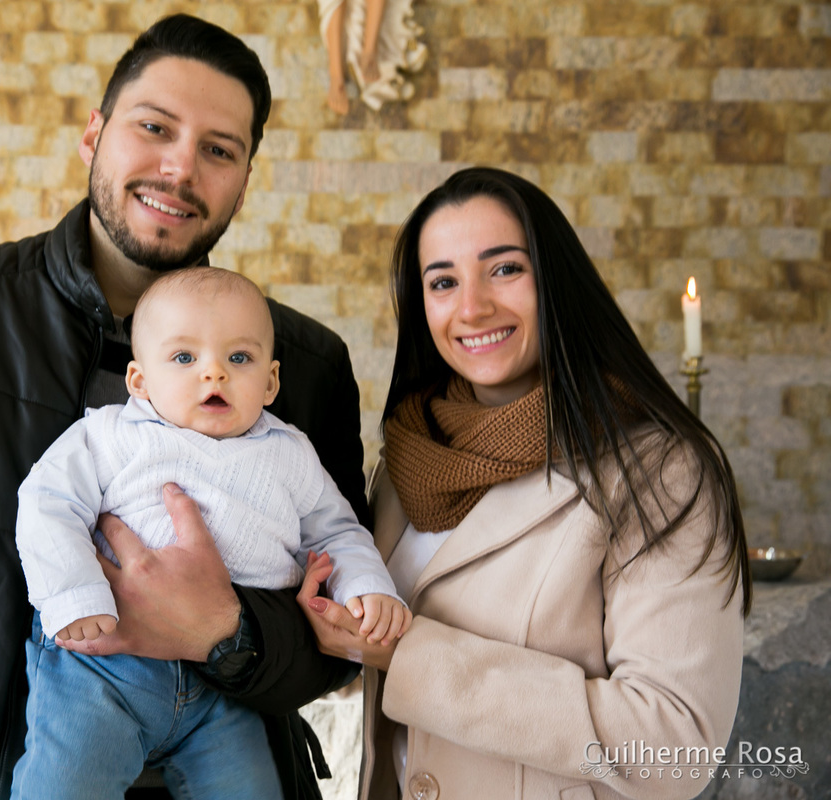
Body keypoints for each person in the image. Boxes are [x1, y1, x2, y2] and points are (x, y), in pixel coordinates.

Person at [0, 15, 366, 800]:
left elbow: (339, 634)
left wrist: (231, 633)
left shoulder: (306, 366)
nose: (180, 167)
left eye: (219, 150)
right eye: (154, 127)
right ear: (94, 135)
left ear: (244, 179)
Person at [297, 166, 751, 800]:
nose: (473, 306)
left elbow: (672, 745)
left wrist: (409, 656)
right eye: (443, 282)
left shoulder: (658, 470)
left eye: (505, 269)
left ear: (555, 281)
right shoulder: (408, 457)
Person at [12, 268, 410, 799]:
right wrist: (74, 595)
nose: (213, 374)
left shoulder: (290, 455)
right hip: (103, 665)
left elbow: (337, 531)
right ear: (139, 381)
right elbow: (46, 504)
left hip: (226, 684)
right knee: (62, 787)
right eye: (184, 358)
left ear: (270, 382)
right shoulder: (109, 436)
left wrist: (367, 589)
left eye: (238, 358)